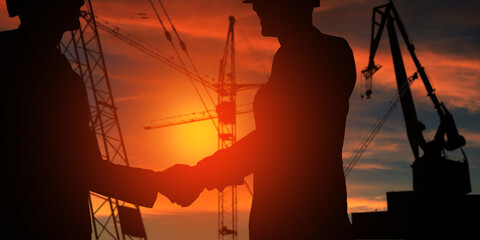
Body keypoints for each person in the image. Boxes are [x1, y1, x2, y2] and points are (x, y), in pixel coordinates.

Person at [0, 0, 200, 239]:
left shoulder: (21, 60)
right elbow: (82, 168)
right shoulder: (55, 78)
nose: (82, 2)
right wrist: (160, 183)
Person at [177, 0, 357, 239]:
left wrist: (201, 175)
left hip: (304, 220)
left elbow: (279, 141)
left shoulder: (326, 54)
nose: (255, 8)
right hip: (282, 218)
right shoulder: (289, 57)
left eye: (262, 1)